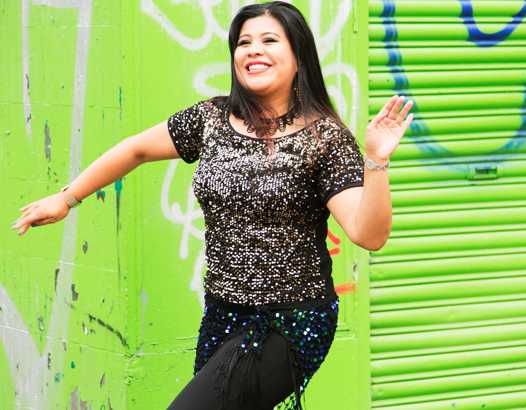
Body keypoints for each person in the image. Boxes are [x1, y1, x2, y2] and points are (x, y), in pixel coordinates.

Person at [11, 2, 413, 409]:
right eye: (244, 42)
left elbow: (369, 234)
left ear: (298, 57)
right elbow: (135, 150)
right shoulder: (212, 119)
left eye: (269, 40)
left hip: (291, 321)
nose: (253, 50)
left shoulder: (324, 138)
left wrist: (376, 161)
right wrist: (67, 198)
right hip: (223, 315)